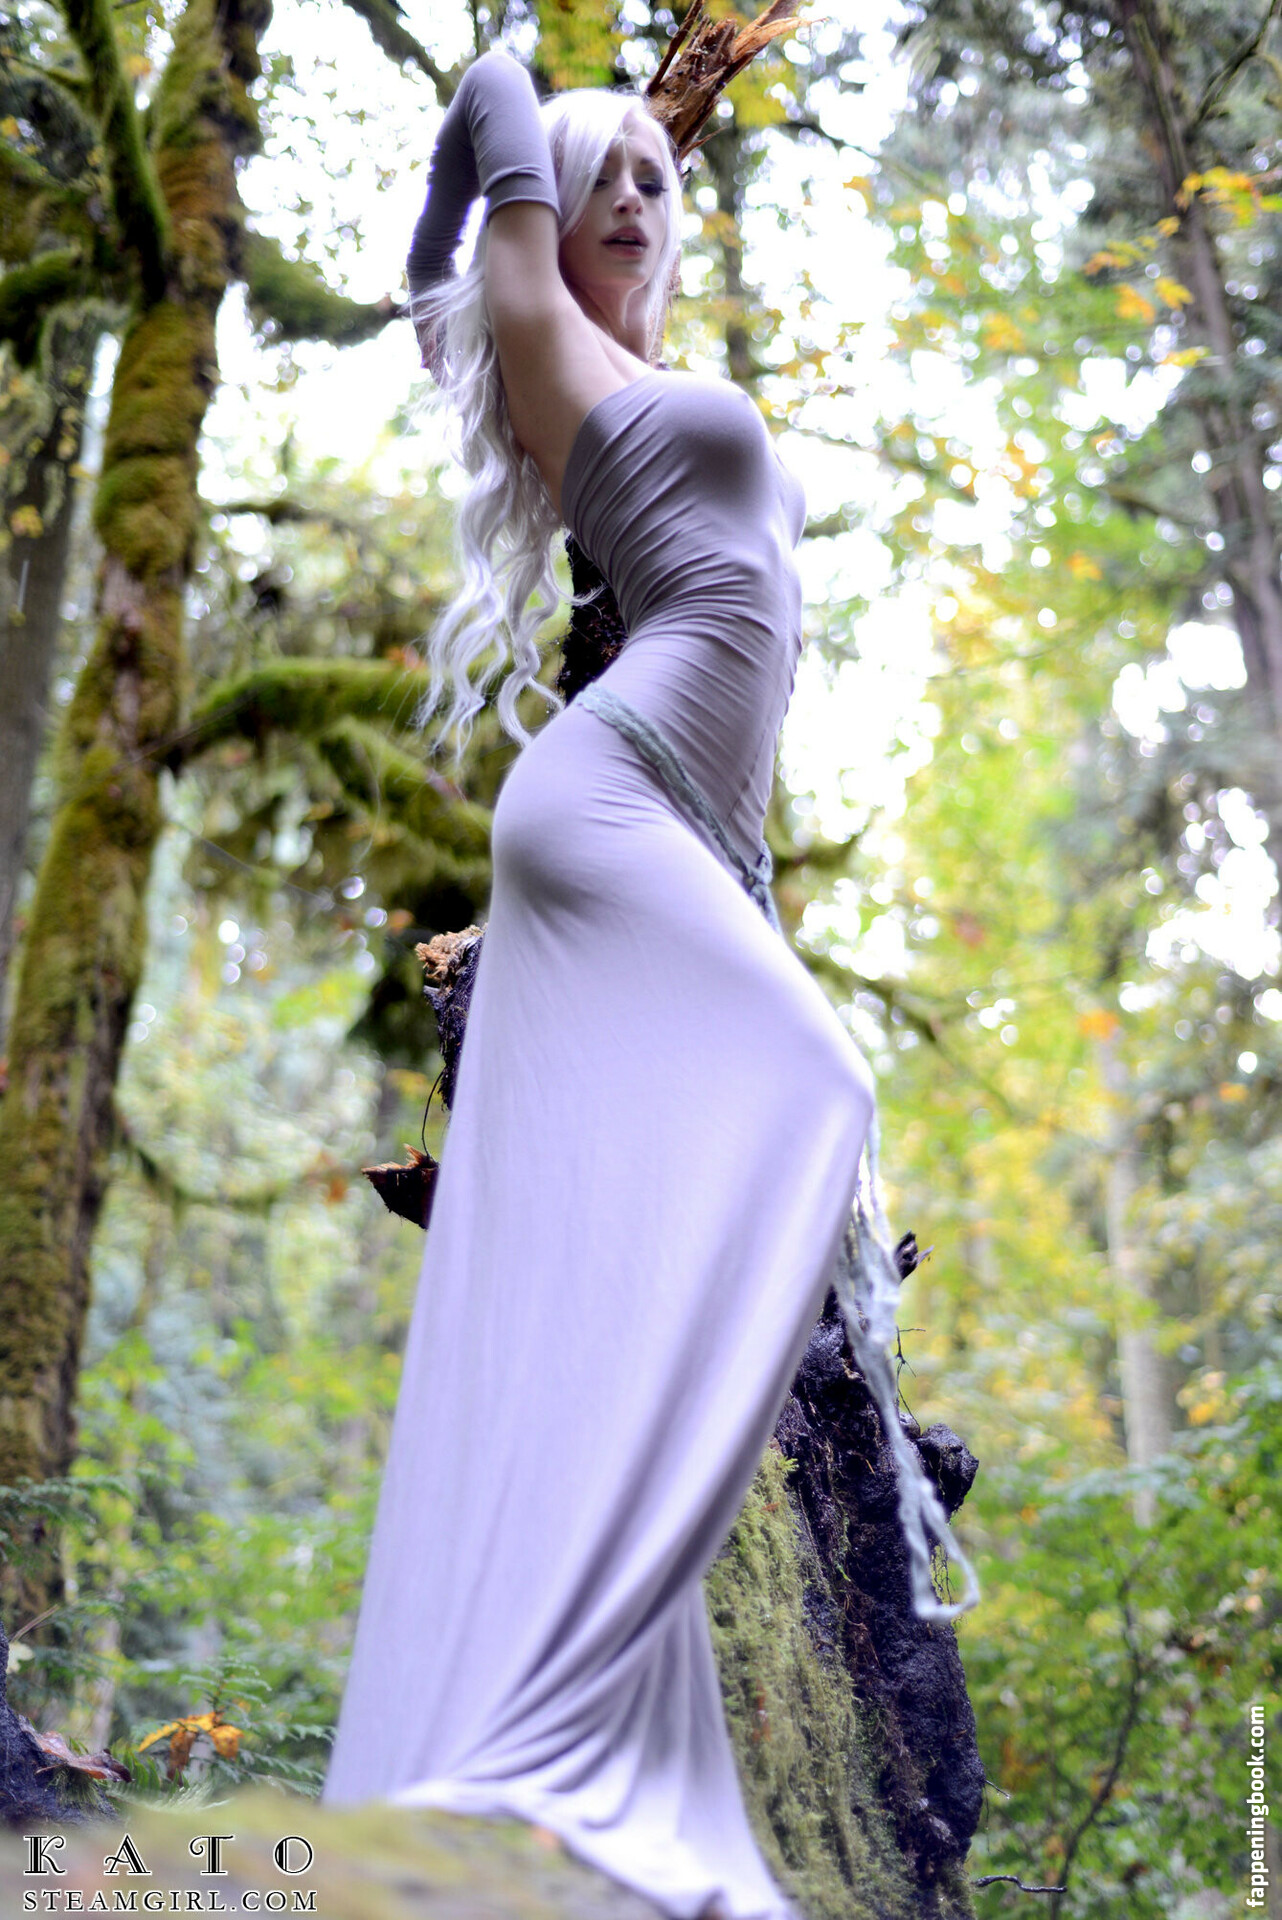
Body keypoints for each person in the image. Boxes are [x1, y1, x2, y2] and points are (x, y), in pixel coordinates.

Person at [321, 47, 874, 1920]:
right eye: (600, 174)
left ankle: (572, 1707)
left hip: (671, 824)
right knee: (817, 1090)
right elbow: (489, 79)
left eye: (655, 171)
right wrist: (480, 206)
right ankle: (564, 1658)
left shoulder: (626, 372)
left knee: (613, 1223)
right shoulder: (547, 340)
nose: (634, 193)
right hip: (604, 797)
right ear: (543, 219)